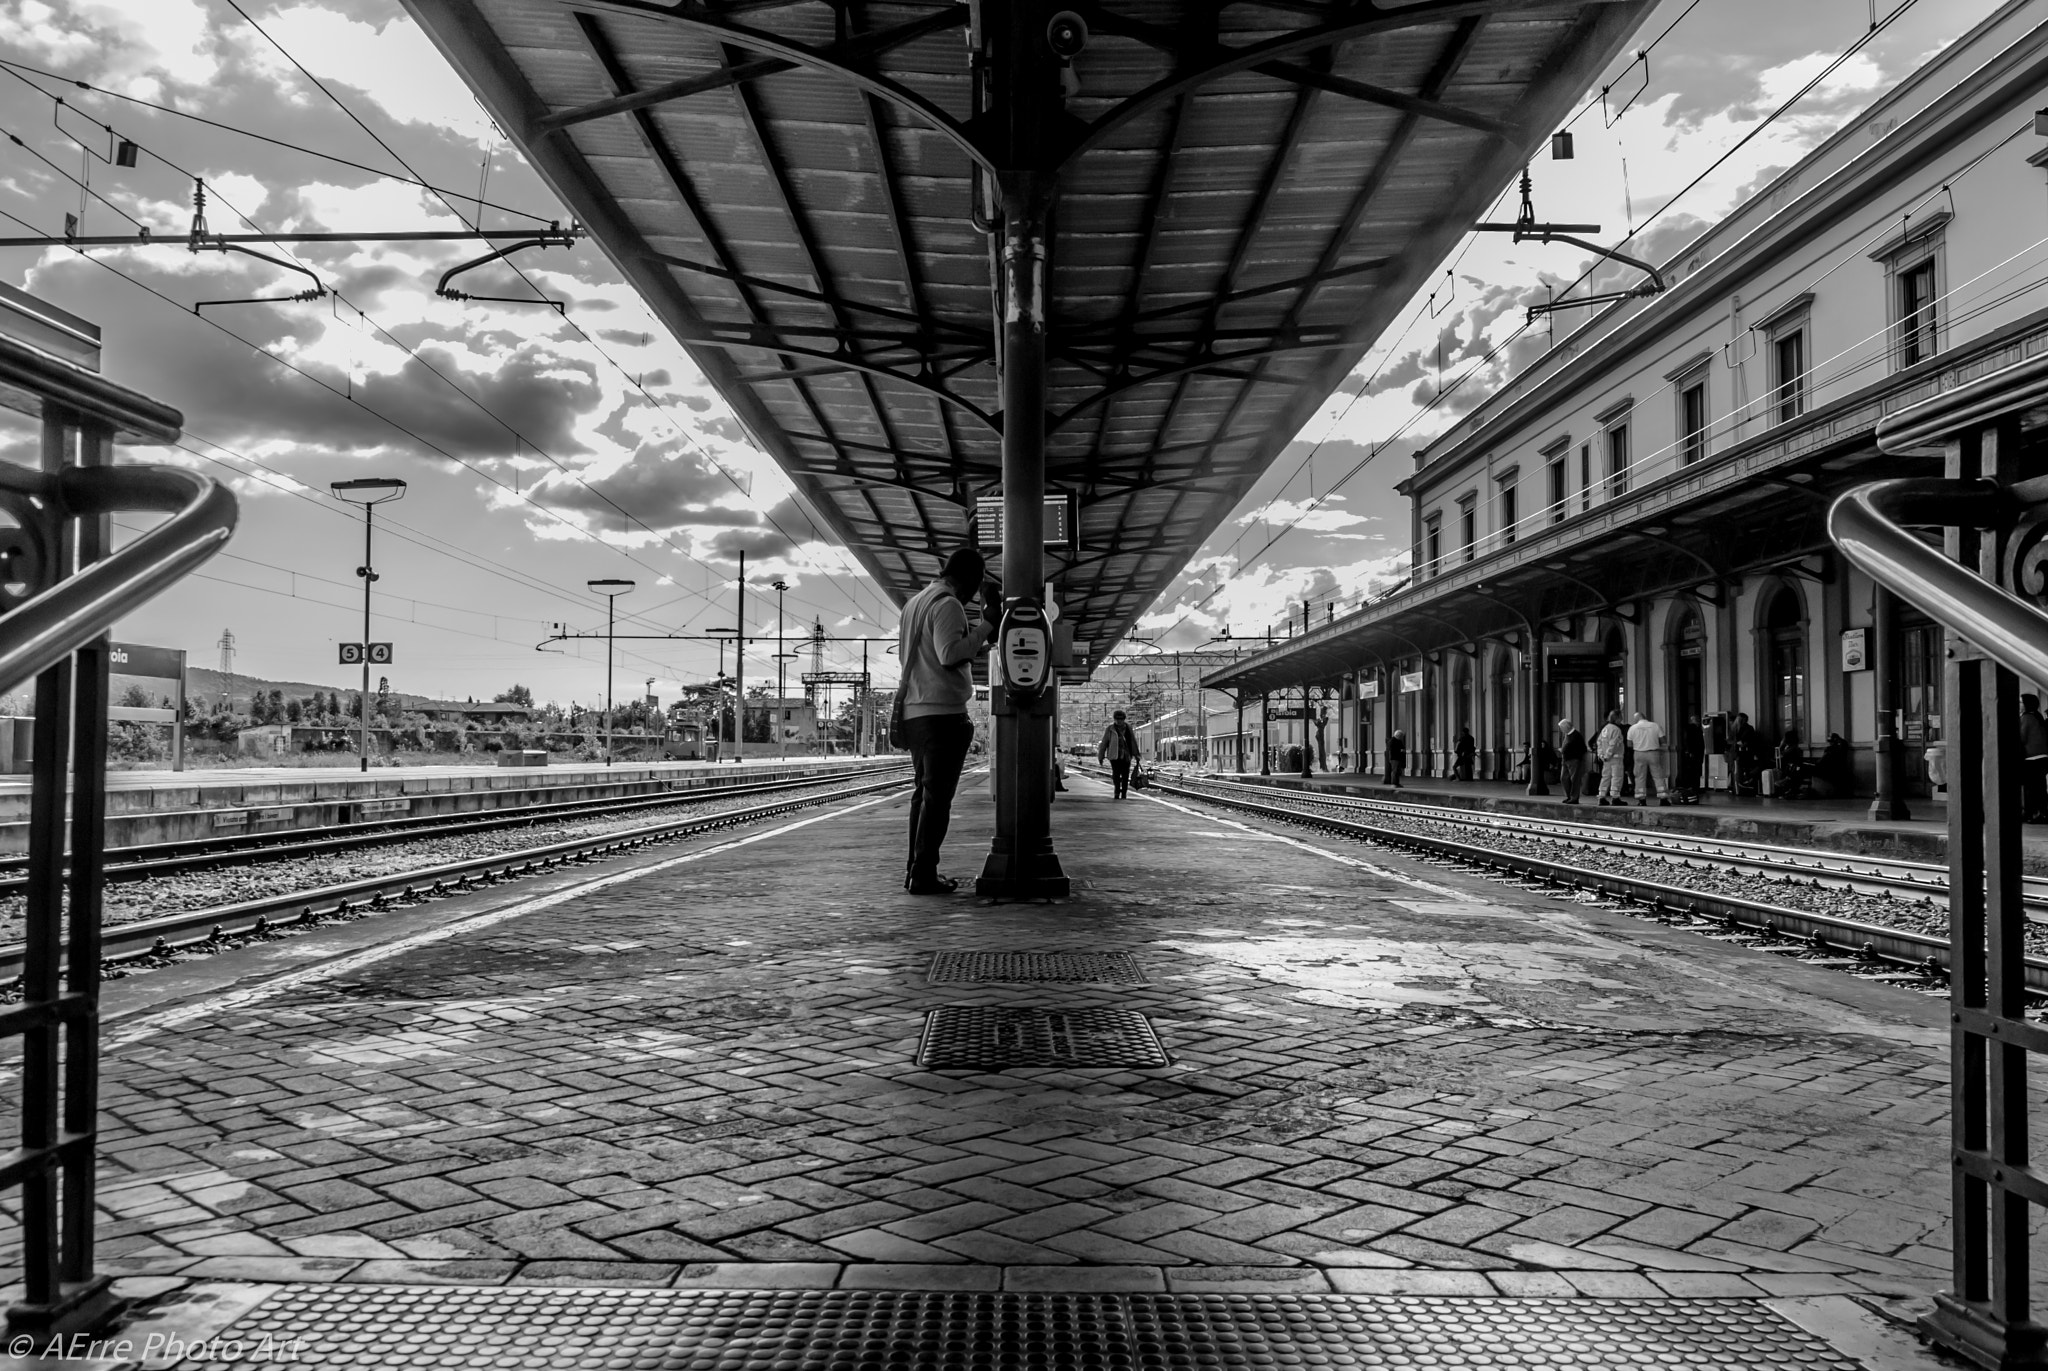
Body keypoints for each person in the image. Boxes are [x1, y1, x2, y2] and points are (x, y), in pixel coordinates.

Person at [897, 547, 998, 894]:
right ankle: (924, 875)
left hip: (917, 712)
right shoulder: (948, 603)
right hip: (941, 714)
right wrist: (988, 624)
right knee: (937, 800)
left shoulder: (916, 603)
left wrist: (974, 643)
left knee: (922, 796)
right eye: (978, 585)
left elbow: (935, 650)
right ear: (972, 578)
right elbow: (949, 654)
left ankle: (915, 869)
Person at [1628, 710, 1670, 806]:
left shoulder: (1632, 728)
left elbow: (1629, 744)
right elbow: (1663, 740)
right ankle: (1663, 799)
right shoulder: (1655, 726)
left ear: (1636, 719)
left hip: (1639, 754)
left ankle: (1641, 800)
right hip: (1653, 753)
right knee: (1658, 776)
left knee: (1640, 777)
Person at [1098, 709, 1140, 799]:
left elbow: (1133, 741)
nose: (1119, 721)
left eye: (1121, 719)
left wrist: (1136, 754)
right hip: (1114, 756)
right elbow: (1104, 743)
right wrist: (1101, 756)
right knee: (1116, 774)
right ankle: (1117, 791)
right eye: (1117, 719)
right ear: (1114, 719)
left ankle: (1124, 793)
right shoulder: (1110, 729)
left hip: (1126, 756)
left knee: (1125, 775)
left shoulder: (1128, 728)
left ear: (1124, 719)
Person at [2022, 695, 2048, 822]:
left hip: (2031, 758)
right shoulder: (2038, 717)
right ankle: (2042, 813)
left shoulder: (2026, 718)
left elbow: (2021, 738)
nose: (2019, 704)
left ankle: (2031, 814)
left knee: (2030, 789)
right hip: (2042, 757)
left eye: (2021, 702)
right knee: (2040, 788)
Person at [1593, 710, 1626, 805]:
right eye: (1621, 717)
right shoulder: (1616, 729)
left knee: (1605, 777)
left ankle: (1601, 796)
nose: (1622, 719)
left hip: (1605, 759)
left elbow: (1599, 742)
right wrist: (1607, 755)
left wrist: (1601, 755)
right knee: (1617, 777)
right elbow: (1613, 744)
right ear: (1617, 718)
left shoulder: (1605, 729)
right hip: (1615, 758)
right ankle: (1615, 797)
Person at [1558, 717, 1587, 805]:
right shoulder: (1567, 735)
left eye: (1562, 728)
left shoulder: (1576, 735)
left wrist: (1564, 750)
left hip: (1573, 760)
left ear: (1566, 727)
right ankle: (1569, 796)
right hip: (1566, 760)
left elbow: (1583, 748)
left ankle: (1574, 797)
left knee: (1574, 779)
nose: (1561, 730)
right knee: (1564, 778)